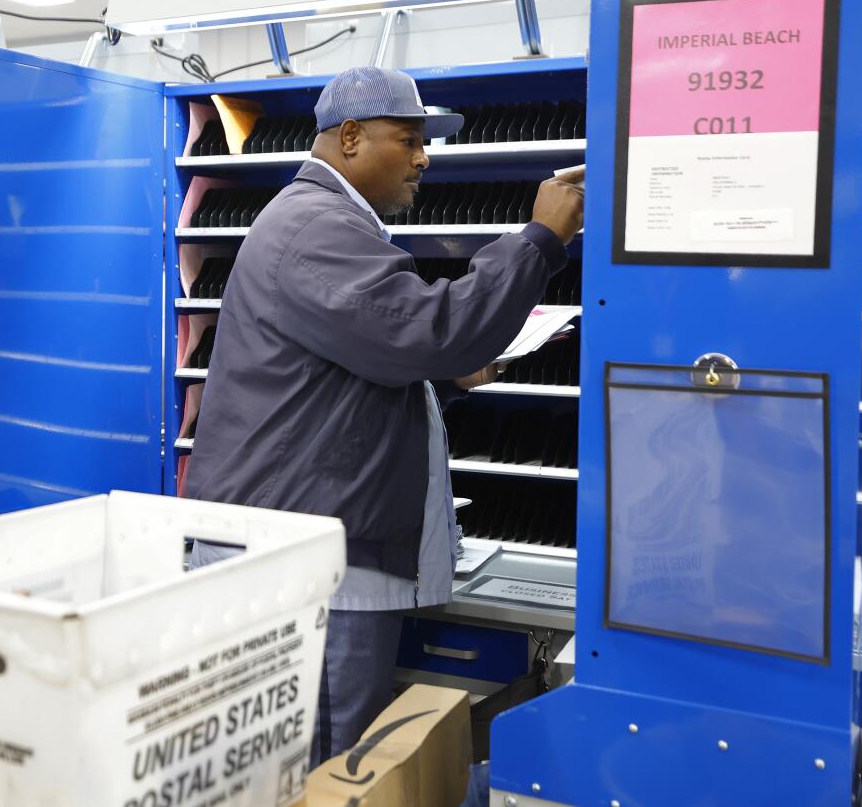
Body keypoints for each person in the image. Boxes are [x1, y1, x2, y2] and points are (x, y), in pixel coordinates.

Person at [182, 66, 584, 765]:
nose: (424, 159)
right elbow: (430, 330)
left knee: (316, 761)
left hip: (313, 551)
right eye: (409, 140)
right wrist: (539, 239)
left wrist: (446, 376)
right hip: (310, 570)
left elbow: (356, 368)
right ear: (350, 137)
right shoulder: (315, 228)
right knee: (330, 768)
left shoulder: (320, 222)